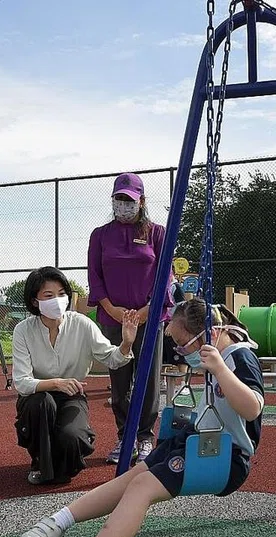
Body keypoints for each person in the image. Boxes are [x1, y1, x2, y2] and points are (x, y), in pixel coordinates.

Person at [18, 299, 263, 537]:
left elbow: (252, 409)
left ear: (209, 334)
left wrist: (222, 370)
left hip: (224, 456)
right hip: (193, 440)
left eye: (184, 343)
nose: (182, 352)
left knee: (142, 487)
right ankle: (57, 524)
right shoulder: (218, 352)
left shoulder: (240, 357)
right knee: (131, 478)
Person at [12, 266, 139, 486]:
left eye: (62, 294)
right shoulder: (23, 330)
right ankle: (40, 461)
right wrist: (56, 383)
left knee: (72, 438)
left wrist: (126, 343)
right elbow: (22, 383)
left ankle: (61, 461)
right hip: (38, 396)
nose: (58, 300)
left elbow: (111, 357)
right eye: (49, 295)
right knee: (41, 404)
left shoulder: (81, 324)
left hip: (73, 395)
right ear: (35, 301)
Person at [87, 172, 175, 466]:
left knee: (148, 378)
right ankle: (124, 435)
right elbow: (94, 277)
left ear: (142, 202)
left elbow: (166, 276)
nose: (124, 206)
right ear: (112, 200)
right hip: (114, 318)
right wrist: (112, 310)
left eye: (130, 201)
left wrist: (145, 312)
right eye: (119, 200)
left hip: (149, 318)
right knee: (119, 377)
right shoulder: (100, 235)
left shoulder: (158, 233)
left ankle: (146, 437)